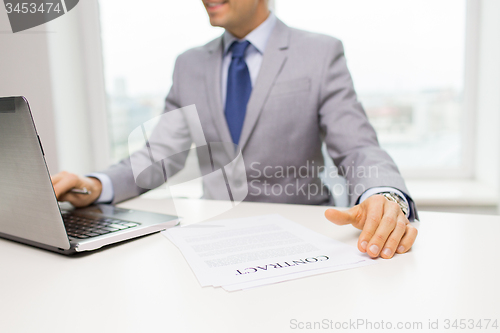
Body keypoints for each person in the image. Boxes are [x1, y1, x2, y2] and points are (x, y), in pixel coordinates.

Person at [52, 0, 418, 259]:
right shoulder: (188, 64)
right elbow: (158, 155)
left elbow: (357, 147)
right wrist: (97, 185)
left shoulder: (319, 53)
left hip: (304, 239)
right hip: (215, 243)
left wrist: (384, 194)